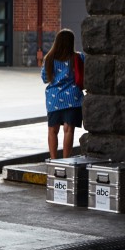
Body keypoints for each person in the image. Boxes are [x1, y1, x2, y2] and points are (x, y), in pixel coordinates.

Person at [41, 28, 85, 160]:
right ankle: (66, 160)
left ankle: (53, 159)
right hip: (73, 98)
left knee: (52, 131)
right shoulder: (78, 57)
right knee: (68, 130)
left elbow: (45, 79)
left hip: (54, 100)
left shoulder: (49, 58)